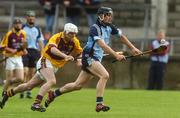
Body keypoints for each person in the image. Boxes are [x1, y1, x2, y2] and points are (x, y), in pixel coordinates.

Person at [44, 7, 142, 112]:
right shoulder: (94, 28)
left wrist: (133, 48)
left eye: (110, 15)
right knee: (105, 75)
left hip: (96, 58)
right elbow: (102, 45)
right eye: (107, 15)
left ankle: (53, 94)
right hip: (89, 56)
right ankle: (99, 103)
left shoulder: (110, 27)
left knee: (77, 85)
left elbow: (121, 36)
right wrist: (115, 55)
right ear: (101, 16)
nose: (109, 17)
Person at [0, 23, 83, 111]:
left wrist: (79, 60)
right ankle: (36, 103)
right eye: (71, 33)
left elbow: (80, 52)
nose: (73, 35)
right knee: (52, 81)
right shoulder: (57, 37)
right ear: (65, 32)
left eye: (74, 33)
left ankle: (7, 94)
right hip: (46, 60)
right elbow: (53, 49)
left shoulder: (75, 41)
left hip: (55, 66)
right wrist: (65, 56)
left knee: (29, 86)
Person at [0, 18, 27, 108]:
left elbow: (23, 45)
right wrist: (11, 50)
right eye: (16, 24)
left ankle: (5, 82)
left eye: (19, 24)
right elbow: (2, 46)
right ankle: (4, 93)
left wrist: (24, 50)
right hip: (10, 58)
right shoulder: (9, 34)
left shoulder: (23, 33)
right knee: (10, 77)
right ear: (14, 25)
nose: (18, 25)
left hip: (18, 57)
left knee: (20, 78)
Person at [20, 10, 44, 99]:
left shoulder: (37, 29)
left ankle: (28, 90)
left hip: (34, 51)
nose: (31, 18)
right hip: (24, 51)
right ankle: (22, 89)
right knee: (25, 71)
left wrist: (42, 53)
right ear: (26, 18)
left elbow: (40, 41)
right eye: (29, 16)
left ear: (34, 18)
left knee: (32, 72)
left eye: (32, 16)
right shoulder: (22, 28)